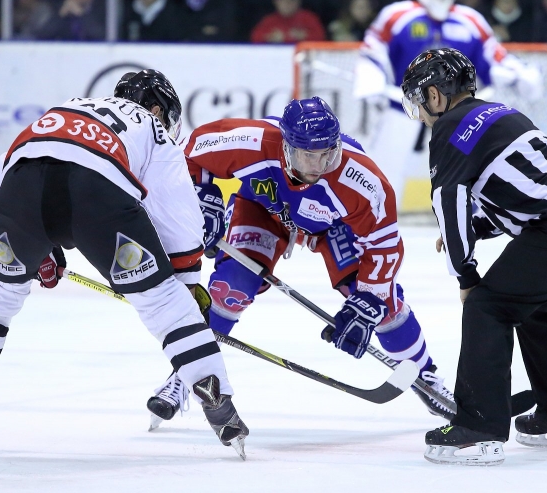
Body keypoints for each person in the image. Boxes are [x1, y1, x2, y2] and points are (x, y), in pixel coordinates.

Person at [0, 70, 249, 459]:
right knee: (165, 305)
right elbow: (180, 224)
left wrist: (39, 248)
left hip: (21, 190)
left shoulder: (68, 106)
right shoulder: (152, 126)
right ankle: (216, 398)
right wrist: (184, 285)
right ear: (156, 108)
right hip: (96, 195)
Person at [146, 97, 456, 426]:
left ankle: (425, 376)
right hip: (264, 211)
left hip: (333, 228)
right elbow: (190, 153)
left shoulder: (362, 180)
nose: (319, 164)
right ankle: (187, 374)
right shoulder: (251, 141)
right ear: (287, 145)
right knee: (229, 290)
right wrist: (204, 197)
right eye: (309, 154)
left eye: (327, 153)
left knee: (382, 305)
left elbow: (383, 245)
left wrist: (369, 299)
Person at [400, 48, 547, 465]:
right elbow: (529, 191)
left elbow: (449, 201)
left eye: (420, 100)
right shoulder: (500, 113)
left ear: (435, 96)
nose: (422, 112)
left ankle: (478, 426)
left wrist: (465, 274)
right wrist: (477, 230)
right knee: (537, 306)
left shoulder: (449, 127)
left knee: (488, 306)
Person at [353, 0, 541, 209]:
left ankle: (471, 218)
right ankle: (376, 218)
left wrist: (517, 73)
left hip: (457, 109)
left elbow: (494, 56)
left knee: (469, 165)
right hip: (405, 104)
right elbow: (372, 50)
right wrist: (371, 78)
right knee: (388, 165)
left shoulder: (470, 20)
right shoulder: (398, 16)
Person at [250, 0, 326, 43]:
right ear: (276, 1)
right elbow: (255, 37)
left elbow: (321, 37)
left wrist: (305, 36)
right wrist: (270, 38)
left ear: (298, 2)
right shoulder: (269, 20)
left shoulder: (308, 18)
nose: (287, 3)